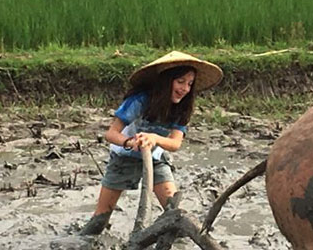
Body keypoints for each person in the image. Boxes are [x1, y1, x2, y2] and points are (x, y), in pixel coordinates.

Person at [80, 51, 223, 235]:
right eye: (180, 82)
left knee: (175, 214)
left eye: (189, 84)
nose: (185, 89)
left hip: (155, 159)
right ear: (166, 81)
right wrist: (131, 142)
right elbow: (111, 134)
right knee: (98, 222)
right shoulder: (140, 101)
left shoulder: (182, 108)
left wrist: (153, 139)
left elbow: (175, 143)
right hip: (124, 158)